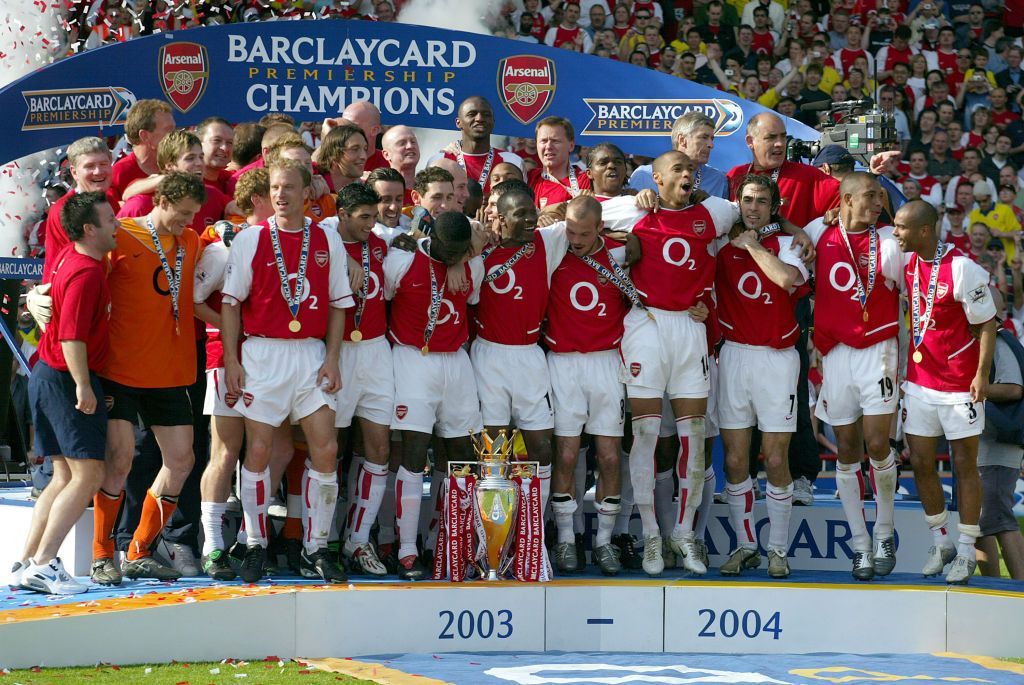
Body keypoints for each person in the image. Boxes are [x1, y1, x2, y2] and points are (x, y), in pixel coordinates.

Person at [599, 151, 742, 576]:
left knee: (693, 438)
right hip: (646, 324)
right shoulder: (631, 209)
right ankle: (650, 537)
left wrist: (795, 232)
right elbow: (576, 213)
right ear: (656, 178)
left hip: (690, 330)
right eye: (676, 170)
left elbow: (755, 214)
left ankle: (683, 532)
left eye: (690, 170)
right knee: (644, 436)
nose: (686, 175)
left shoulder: (713, 212)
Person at [221, 159, 354, 583]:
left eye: (289, 188)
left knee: (326, 449)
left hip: (311, 355)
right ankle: (255, 542)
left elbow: (339, 304)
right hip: (263, 354)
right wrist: (232, 359)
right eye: (275, 188)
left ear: (306, 193)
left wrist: (332, 358)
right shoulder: (250, 239)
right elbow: (229, 303)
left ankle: (317, 547)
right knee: (258, 451)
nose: (281, 195)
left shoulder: (326, 238)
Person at [92, 172, 205, 584]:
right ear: (162, 200)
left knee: (181, 461)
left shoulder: (191, 241)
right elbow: (82, 273)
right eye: (182, 213)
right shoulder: (120, 236)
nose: (187, 222)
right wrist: (40, 293)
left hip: (171, 371)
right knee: (120, 461)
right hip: (120, 370)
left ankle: (140, 548)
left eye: (194, 215)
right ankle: (103, 554)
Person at [13, 192, 116, 594]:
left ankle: (26, 562)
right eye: (109, 219)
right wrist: (84, 385)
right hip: (63, 376)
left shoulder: (69, 257)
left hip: (47, 374)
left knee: (62, 476)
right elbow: (72, 335)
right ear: (89, 229)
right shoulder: (87, 271)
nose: (116, 225)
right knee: (89, 473)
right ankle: (43, 565)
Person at [803, 172, 903, 581]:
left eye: (879, 197)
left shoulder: (891, 242)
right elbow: (793, 242)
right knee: (846, 448)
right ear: (844, 200)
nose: (877, 203)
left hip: (879, 348)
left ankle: (884, 532)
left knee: (878, 443)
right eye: (868, 197)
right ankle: (859, 545)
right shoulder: (816, 232)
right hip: (836, 353)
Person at [892, 199, 997, 584]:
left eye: (901, 227)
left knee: (964, 466)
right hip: (919, 381)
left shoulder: (963, 268)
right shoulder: (904, 260)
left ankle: (967, 548)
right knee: (919, 462)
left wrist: (982, 376)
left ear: (924, 230)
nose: (895, 233)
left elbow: (987, 324)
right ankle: (941, 541)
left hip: (959, 385)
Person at [715, 175, 809, 579]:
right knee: (736, 460)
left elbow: (787, 280)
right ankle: (745, 544)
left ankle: (778, 550)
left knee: (774, 458)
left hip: (777, 358)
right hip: (734, 355)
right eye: (747, 200)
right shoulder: (721, 243)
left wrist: (754, 245)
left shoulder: (790, 245)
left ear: (774, 206)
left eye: (761, 201)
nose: (753, 207)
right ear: (738, 203)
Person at [384, 212, 484, 580]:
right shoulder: (402, 259)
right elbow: (385, 298)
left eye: (461, 251)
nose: (454, 256)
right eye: (449, 250)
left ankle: (452, 543)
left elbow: (472, 282)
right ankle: (407, 548)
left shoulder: (473, 265)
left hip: (456, 362)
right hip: (412, 358)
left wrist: (462, 259)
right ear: (434, 239)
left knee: (463, 456)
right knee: (413, 451)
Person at [193, 168, 273, 581]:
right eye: (276, 193)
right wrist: (233, 330)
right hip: (227, 358)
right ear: (259, 199)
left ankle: (250, 537)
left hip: (271, 360)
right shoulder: (226, 245)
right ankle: (212, 545)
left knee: (272, 450)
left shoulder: (286, 242)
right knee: (226, 451)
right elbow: (192, 300)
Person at [547, 195, 632, 576]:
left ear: (600, 227)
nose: (576, 239)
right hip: (562, 362)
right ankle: (566, 538)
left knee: (610, 456)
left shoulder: (619, 254)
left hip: (605, 362)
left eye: (584, 233)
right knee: (566, 454)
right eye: (571, 230)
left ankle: (604, 542)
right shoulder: (553, 248)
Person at [319, 183, 394, 577]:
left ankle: (358, 539)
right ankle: (324, 540)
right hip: (339, 352)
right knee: (330, 448)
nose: (372, 223)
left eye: (374, 215)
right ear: (342, 214)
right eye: (364, 216)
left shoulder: (382, 244)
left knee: (378, 448)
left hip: (377, 352)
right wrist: (334, 248)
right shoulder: (323, 240)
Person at [726, 112, 840, 227]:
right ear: (750, 142)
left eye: (783, 136)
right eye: (771, 137)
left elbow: (853, 198)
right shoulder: (735, 174)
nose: (780, 143)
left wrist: (840, 211)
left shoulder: (806, 175)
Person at [41, 137, 115, 283]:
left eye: (103, 164)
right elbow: (60, 265)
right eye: (90, 166)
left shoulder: (111, 200)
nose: (98, 171)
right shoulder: (63, 210)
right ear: (74, 172)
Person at [629, 112, 729, 199]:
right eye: (704, 137)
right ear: (682, 140)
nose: (711, 145)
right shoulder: (643, 175)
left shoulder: (718, 180)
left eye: (712, 139)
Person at [437, 96, 523, 193]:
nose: (479, 118)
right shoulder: (440, 160)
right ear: (458, 123)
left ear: (493, 122)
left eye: (486, 115)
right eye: (472, 114)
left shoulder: (512, 161)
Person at [110, 99, 175, 203]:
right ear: (145, 136)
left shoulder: (181, 164)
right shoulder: (119, 173)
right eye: (169, 130)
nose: (175, 136)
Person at [527, 116, 592, 209]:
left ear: (571, 145)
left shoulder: (585, 180)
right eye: (543, 141)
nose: (548, 146)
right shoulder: (529, 177)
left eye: (555, 141)